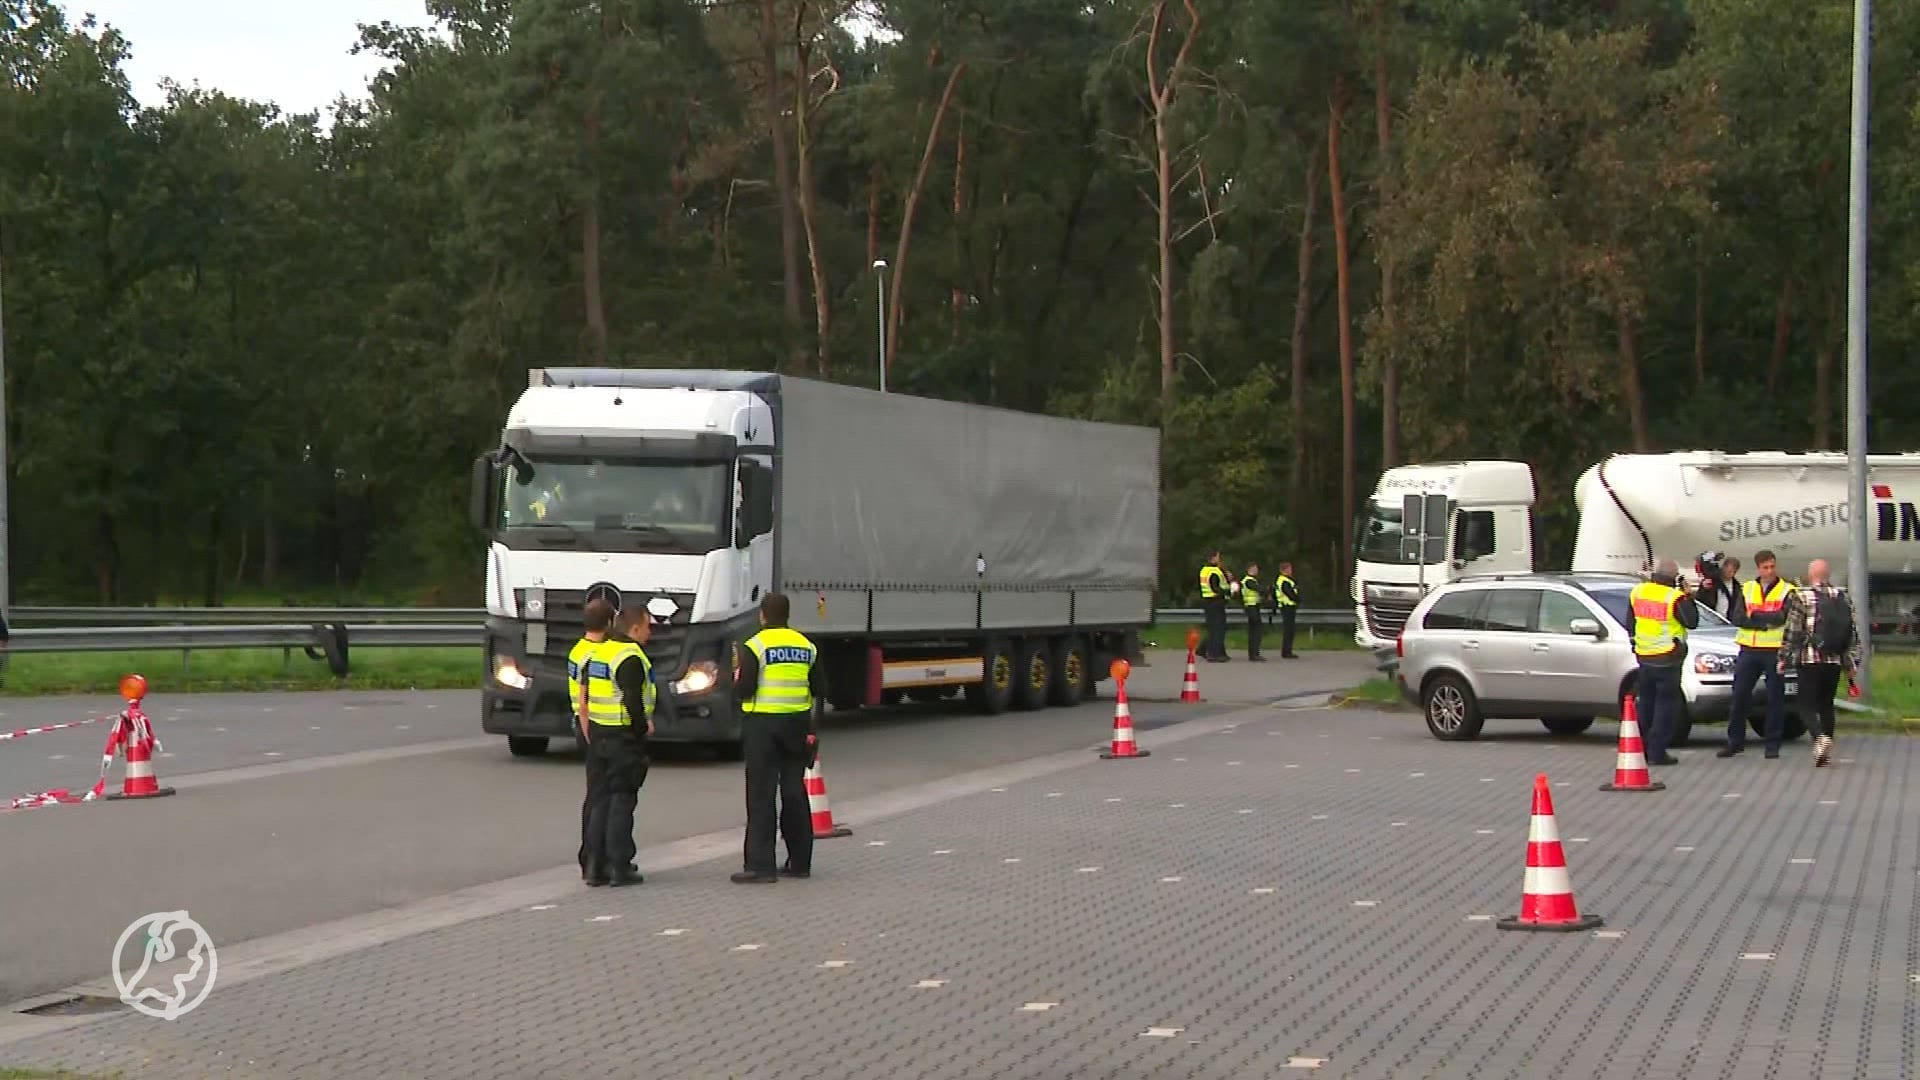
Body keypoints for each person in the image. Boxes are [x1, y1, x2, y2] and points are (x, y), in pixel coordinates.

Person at [732, 592, 829, 884]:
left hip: (762, 725)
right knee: (794, 793)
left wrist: (736, 678)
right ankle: (800, 862)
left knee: (761, 795)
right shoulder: (806, 646)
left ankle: (761, 866)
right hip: (796, 725)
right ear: (787, 616)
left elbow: (745, 689)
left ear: (763, 615)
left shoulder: (754, 646)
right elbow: (820, 688)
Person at [580, 603, 658, 887]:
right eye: (648, 626)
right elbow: (633, 703)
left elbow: (586, 696)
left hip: (599, 734)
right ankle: (620, 867)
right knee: (621, 802)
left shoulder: (598, 653)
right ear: (635, 628)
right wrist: (641, 733)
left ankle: (595, 867)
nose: (650, 632)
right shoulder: (630, 657)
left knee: (600, 801)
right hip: (622, 738)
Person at [1778, 558, 1862, 768]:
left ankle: (1819, 738)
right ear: (1828, 575)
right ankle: (1825, 748)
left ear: (1810, 575)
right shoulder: (1842, 597)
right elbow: (1851, 633)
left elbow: (1793, 631)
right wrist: (1850, 664)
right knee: (1826, 704)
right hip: (1834, 659)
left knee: (1805, 704)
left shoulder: (1802, 597)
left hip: (1809, 658)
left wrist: (1784, 657)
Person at [1718, 549, 1792, 759]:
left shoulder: (1787, 589)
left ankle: (1772, 744)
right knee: (1740, 695)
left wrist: (1756, 615)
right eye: (1765, 567)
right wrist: (1762, 623)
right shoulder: (1748, 588)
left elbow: (1781, 617)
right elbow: (1738, 617)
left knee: (1775, 697)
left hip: (1773, 650)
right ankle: (1735, 741)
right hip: (1748, 649)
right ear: (1758, 568)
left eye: (1772, 566)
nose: (1770, 571)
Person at [1629, 559, 1698, 767]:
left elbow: (1630, 622)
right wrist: (1688, 597)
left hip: (1644, 657)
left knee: (1646, 704)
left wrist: (1636, 644)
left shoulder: (1638, 592)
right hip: (1668, 658)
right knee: (1666, 707)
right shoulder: (1674, 597)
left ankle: (1640, 747)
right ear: (1674, 577)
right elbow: (1691, 621)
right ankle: (1657, 752)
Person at [570, 600, 612, 882]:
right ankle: (595, 858)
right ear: (609, 623)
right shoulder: (597, 656)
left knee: (594, 795)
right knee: (601, 798)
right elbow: (587, 699)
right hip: (595, 727)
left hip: (582, 724)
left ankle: (590, 856)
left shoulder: (578, 650)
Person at [1198, 551, 1231, 663]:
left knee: (1213, 628)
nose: (1219, 559)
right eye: (1218, 557)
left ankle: (1205, 650)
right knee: (1218, 629)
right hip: (1215, 601)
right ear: (1213, 558)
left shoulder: (1204, 570)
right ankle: (1214, 654)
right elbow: (1215, 588)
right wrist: (1228, 591)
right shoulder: (1214, 571)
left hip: (1208, 601)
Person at [1694, 553, 1744, 622]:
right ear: (1724, 567)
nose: (1731, 574)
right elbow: (1700, 600)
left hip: (1727, 621)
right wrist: (1704, 588)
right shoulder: (1713, 580)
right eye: (1729, 571)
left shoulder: (1736, 587)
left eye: (1734, 572)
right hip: (1711, 619)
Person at [1273, 562, 1301, 659]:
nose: (1291, 571)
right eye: (1289, 569)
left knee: (1289, 630)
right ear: (1284, 570)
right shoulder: (1284, 580)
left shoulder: (1284, 580)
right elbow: (1289, 593)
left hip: (1287, 606)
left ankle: (1287, 651)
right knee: (1289, 630)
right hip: (1287, 606)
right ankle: (1286, 652)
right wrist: (1298, 599)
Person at [1240, 562, 1266, 661]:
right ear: (1249, 569)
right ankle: (1254, 654)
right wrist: (1267, 589)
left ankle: (1254, 653)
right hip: (1251, 607)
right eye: (1254, 569)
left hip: (1253, 606)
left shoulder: (1252, 580)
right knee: (1256, 631)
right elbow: (1257, 589)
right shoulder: (1248, 581)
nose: (1257, 570)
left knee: (1254, 631)